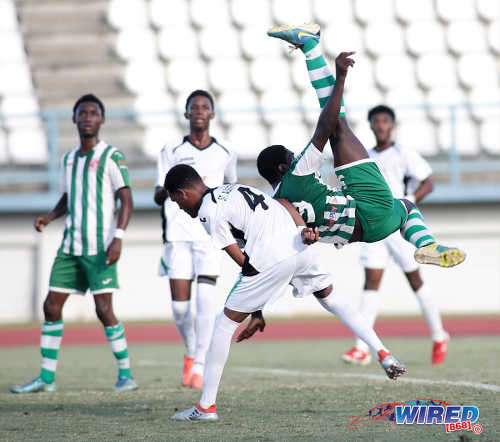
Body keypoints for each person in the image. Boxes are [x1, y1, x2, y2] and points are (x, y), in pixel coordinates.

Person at [169, 50, 406, 423]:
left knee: (223, 323)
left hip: (277, 249)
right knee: (331, 298)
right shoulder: (242, 190)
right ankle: (381, 351)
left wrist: (254, 303)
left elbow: (242, 260)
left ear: (182, 194)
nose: (180, 207)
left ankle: (206, 406)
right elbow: (284, 215)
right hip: (300, 240)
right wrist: (293, 252)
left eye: (176, 201)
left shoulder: (209, 210)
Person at [258, 23, 466, 268]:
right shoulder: (296, 173)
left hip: (368, 233)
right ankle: (310, 47)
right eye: (290, 156)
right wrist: (341, 78)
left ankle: (429, 245)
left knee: (406, 207)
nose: (295, 157)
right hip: (367, 206)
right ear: (283, 167)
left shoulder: (278, 205)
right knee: (338, 127)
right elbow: (326, 124)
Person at [11, 94, 137, 393]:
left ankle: (126, 374)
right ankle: (46, 378)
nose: (88, 117)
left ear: (102, 120)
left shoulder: (111, 156)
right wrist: (50, 216)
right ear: (74, 119)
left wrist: (117, 238)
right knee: (51, 306)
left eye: (94, 113)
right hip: (69, 247)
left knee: (104, 310)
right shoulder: (68, 159)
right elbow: (69, 196)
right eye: (82, 113)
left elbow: (126, 198)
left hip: (99, 248)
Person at [341, 105, 449, 366]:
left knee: (416, 281)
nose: (380, 125)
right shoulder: (364, 155)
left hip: (400, 226)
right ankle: (362, 348)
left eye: (385, 121)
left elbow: (428, 182)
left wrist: (409, 201)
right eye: (375, 121)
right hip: (375, 228)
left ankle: (439, 335)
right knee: (370, 283)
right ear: (370, 126)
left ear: (392, 125)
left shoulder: (404, 154)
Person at [153, 90, 237, 390]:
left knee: (205, 301)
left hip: (209, 235)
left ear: (212, 115)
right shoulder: (171, 149)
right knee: (179, 308)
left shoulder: (226, 151)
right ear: (187, 114)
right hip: (177, 235)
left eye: (205, 107)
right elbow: (156, 194)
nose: (199, 111)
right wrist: (175, 185)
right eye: (194, 107)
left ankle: (199, 364)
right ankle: (191, 351)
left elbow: (230, 189)